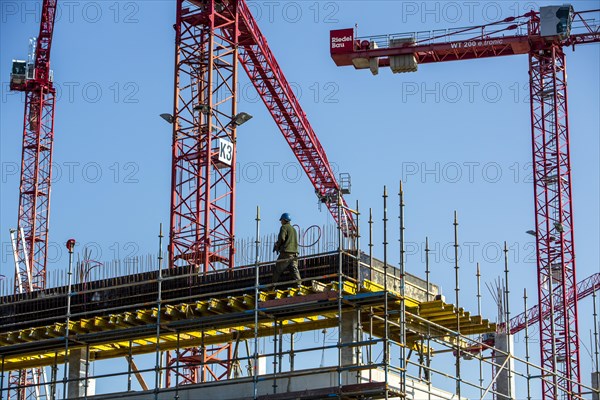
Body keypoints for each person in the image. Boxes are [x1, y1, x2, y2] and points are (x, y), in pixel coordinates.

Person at [272, 212, 301, 287]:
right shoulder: (293, 230)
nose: (281, 222)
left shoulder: (284, 227)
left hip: (286, 253)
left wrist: (277, 246)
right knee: (294, 269)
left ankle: (271, 287)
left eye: (281, 220)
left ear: (284, 220)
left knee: (277, 269)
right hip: (295, 253)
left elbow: (282, 238)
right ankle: (298, 284)